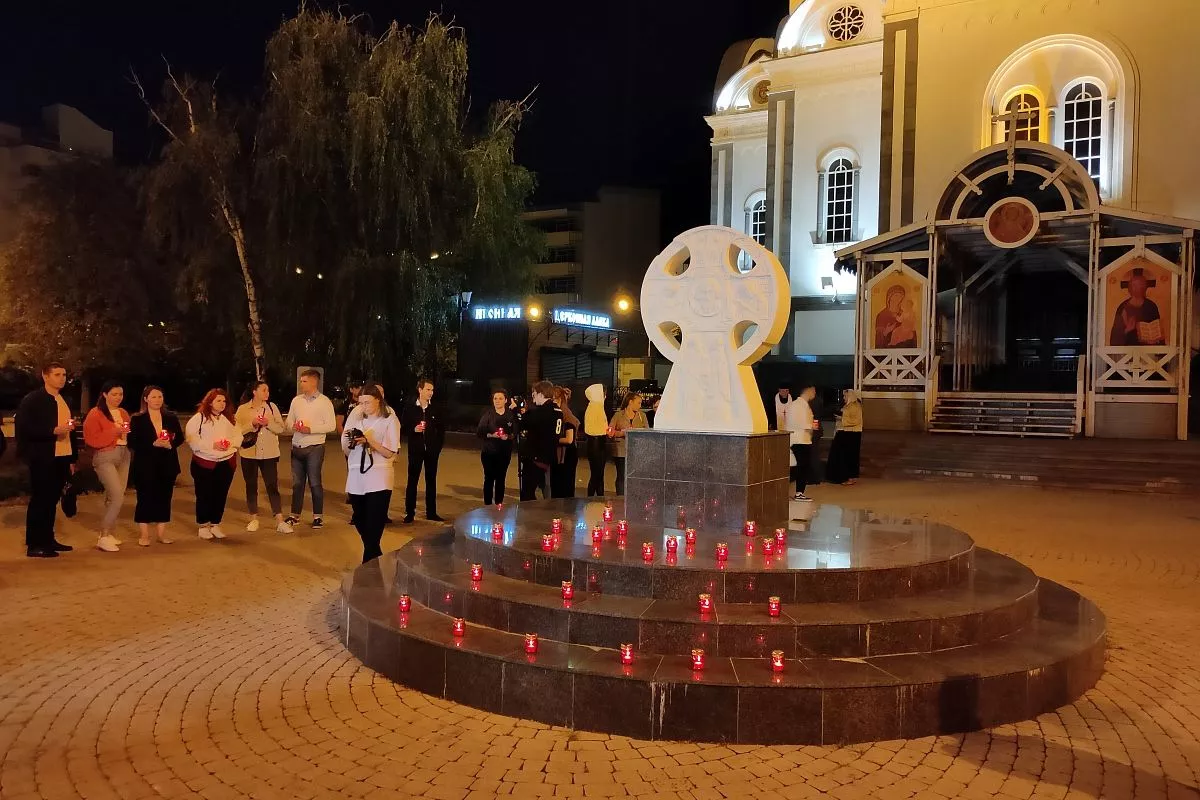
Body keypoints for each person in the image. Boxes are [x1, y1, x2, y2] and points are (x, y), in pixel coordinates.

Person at [14, 362, 78, 558]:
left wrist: (72, 458)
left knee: (52, 500)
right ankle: (35, 544)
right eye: (57, 374)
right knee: (40, 500)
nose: (62, 378)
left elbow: (70, 432)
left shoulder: (65, 400)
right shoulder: (33, 400)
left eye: (64, 374)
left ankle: (48, 539)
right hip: (42, 457)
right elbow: (24, 428)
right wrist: (52, 431)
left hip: (62, 457)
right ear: (45, 376)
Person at [342, 384, 399, 563]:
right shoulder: (356, 419)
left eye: (367, 402)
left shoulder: (389, 419)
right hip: (356, 475)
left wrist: (370, 441)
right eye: (361, 403)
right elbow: (345, 446)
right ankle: (376, 558)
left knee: (374, 523)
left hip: (379, 477)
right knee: (359, 518)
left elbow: (390, 452)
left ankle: (369, 564)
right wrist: (351, 441)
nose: (363, 406)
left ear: (378, 400)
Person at [128, 386, 184, 546]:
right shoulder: (138, 419)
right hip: (145, 465)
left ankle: (161, 534)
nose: (157, 400)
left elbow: (180, 437)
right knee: (144, 498)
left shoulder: (170, 417)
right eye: (153, 397)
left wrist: (170, 444)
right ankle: (144, 535)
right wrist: (152, 444)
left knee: (164, 498)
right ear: (146, 399)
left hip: (167, 463)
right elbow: (132, 442)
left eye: (160, 397)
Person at [83, 381, 132, 552]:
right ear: (105, 395)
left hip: (124, 454)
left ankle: (109, 532)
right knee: (117, 495)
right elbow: (91, 438)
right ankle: (103, 536)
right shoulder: (95, 413)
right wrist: (114, 432)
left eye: (120, 394)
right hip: (105, 455)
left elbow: (128, 432)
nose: (118, 397)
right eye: (114, 394)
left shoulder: (123, 413)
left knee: (114, 496)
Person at [235, 381, 291, 534]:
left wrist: (268, 423)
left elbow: (281, 428)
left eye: (268, 390)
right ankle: (254, 519)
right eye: (264, 390)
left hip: (269, 453)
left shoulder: (272, 407)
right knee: (251, 486)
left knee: (272, 486)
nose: (267, 393)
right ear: (254, 392)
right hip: (249, 453)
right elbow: (236, 430)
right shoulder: (243, 409)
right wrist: (252, 424)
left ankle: (280, 521)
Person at [285, 369, 336, 530]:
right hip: (297, 446)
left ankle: (318, 516)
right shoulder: (296, 401)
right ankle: (295, 515)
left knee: (314, 482)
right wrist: (293, 426)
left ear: (314, 382)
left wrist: (310, 429)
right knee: (297, 483)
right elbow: (288, 422)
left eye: (304, 381)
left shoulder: (324, 402)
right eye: (301, 381)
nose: (301, 384)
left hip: (315, 447)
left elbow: (331, 425)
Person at [186, 389, 240, 540]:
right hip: (204, 463)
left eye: (224, 401)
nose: (222, 404)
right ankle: (203, 525)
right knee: (204, 494)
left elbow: (238, 435)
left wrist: (229, 444)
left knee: (220, 494)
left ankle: (215, 523)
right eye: (218, 401)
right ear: (210, 402)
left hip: (225, 462)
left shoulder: (229, 418)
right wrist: (212, 445)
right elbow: (192, 438)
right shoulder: (199, 418)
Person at [400, 378, 445, 523]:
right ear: (420, 390)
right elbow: (403, 428)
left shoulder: (435, 408)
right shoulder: (410, 408)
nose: (430, 392)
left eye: (432, 390)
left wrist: (437, 448)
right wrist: (413, 429)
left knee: (431, 481)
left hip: (431, 451)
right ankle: (410, 512)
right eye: (428, 389)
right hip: (415, 450)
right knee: (412, 480)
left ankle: (431, 512)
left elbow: (441, 430)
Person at [519, 381, 563, 501]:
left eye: (534, 394)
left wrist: (516, 410)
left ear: (541, 394)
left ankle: (532, 512)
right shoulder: (558, 411)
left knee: (527, 492)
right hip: (549, 456)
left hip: (536, 457)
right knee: (543, 488)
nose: (533, 399)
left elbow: (523, 423)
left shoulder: (540, 412)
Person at [477, 389, 516, 506]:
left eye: (500, 398)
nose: (497, 401)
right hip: (489, 452)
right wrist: (491, 435)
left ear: (506, 400)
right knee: (489, 478)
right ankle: (488, 505)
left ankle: (499, 504)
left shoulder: (510, 415)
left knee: (501, 478)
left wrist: (507, 436)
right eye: (495, 398)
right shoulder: (488, 414)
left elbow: (515, 432)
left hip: (504, 452)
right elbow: (480, 432)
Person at [1109, 270, 1165, 346]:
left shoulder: (1151, 306)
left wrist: (1155, 340)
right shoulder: (1123, 307)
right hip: (1127, 349)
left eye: (1140, 285)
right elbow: (1115, 338)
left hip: (1147, 350)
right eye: (1134, 285)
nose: (1138, 288)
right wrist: (1127, 329)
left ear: (1145, 287)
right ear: (1130, 288)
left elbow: (1157, 333)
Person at [608, 392, 649, 496]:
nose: (640, 406)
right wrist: (622, 433)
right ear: (630, 402)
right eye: (638, 403)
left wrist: (636, 433)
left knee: (634, 476)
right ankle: (620, 498)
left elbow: (647, 432)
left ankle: (633, 497)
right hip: (621, 450)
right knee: (621, 476)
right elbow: (610, 431)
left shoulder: (642, 416)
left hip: (636, 450)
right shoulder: (618, 415)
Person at [825, 390, 863, 486]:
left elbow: (856, 420)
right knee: (845, 456)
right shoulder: (847, 406)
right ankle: (844, 476)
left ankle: (850, 477)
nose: (844, 398)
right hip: (845, 433)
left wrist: (842, 418)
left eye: (845, 396)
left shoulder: (855, 406)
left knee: (850, 456)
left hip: (852, 434)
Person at [789, 385, 816, 502]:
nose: (814, 393)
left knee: (802, 467)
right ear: (807, 390)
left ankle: (800, 492)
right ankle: (799, 493)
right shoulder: (797, 405)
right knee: (801, 467)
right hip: (799, 441)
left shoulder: (804, 405)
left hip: (804, 440)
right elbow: (795, 422)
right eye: (813, 390)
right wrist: (811, 426)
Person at [551, 386, 579, 498]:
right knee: (556, 486)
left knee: (565, 487)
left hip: (567, 455)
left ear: (559, 400)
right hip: (559, 454)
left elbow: (569, 439)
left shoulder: (566, 415)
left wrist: (552, 439)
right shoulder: (557, 414)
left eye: (552, 399)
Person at [582, 384, 608, 497]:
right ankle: (593, 499)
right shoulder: (596, 407)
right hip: (597, 443)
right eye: (604, 394)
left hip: (596, 443)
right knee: (597, 475)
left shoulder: (593, 407)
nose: (605, 397)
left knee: (597, 475)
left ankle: (597, 498)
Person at [874, 284, 918, 348]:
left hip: (905, 348)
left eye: (901, 296)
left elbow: (912, 330)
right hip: (888, 351)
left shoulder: (904, 313)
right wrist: (885, 332)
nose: (898, 298)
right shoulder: (882, 315)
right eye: (896, 295)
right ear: (890, 297)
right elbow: (879, 339)